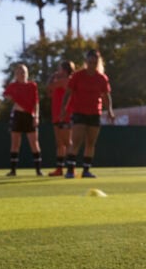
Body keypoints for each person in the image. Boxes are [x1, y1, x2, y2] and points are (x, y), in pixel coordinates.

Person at [59, 49, 114, 178]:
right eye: (90, 62)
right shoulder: (77, 76)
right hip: (79, 112)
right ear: (86, 62)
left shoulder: (102, 78)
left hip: (95, 113)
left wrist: (110, 110)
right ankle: (70, 170)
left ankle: (86, 170)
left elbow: (106, 96)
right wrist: (63, 109)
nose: (92, 65)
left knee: (91, 142)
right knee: (76, 141)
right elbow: (68, 93)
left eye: (95, 63)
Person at [3, 63, 42, 176]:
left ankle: (38, 170)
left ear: (27, 73)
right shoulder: (13, 86)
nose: (22, 74)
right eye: (19, 72)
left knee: (34, 143)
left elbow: (36, 102)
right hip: (17, 116)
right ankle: (13, 170)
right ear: (16, 74)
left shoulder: (32, 86)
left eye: (24, 72)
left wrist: (36, 116)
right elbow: (6, 96)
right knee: (15, 143)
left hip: (30, 116)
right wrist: (11, 99)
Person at [46, 60, 74, 177]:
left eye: (60, 68)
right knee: (59, 144)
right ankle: (59, 168)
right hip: (57, 115)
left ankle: (71, 168)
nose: (58, 70)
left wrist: (52, 76)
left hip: (65, 115)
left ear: (65, 70)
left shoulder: (66, 80)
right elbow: (49, 92)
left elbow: (49, 86)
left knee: (67, 142)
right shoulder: (60, 81)